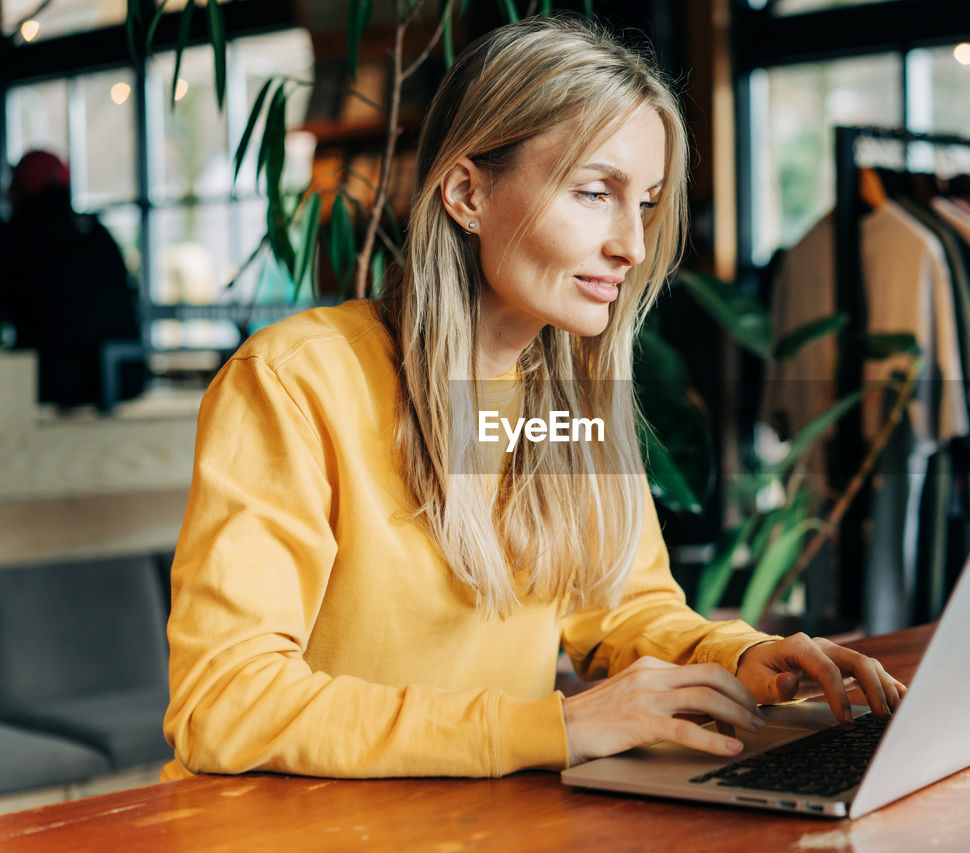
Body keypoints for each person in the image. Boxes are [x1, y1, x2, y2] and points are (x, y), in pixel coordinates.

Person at [162, 16, 905, 782]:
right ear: (465, 193)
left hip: (486, 821)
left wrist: (741, 655)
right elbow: (224, 702)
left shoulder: (566, 398)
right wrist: (550, 725)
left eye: (645, 202)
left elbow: (615, 608)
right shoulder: (296, 383)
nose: (633, 245)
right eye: (593, 192)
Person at [0, 150, 145, 410]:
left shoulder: (18, 236)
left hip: (53, 381)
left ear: (23, 188)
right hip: (124, 378)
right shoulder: (96, 231)